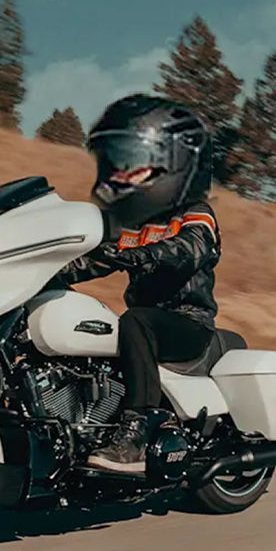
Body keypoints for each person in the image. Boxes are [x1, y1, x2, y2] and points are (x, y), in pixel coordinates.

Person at [51, 94, 221, 475]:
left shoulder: (196, 213)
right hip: (148, 322)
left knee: (134, 320)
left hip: (186, 322)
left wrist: (142, 255)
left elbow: (189, 250)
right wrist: (44, 271)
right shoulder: (133, 224)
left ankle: (138, 429)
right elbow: (95, 259)